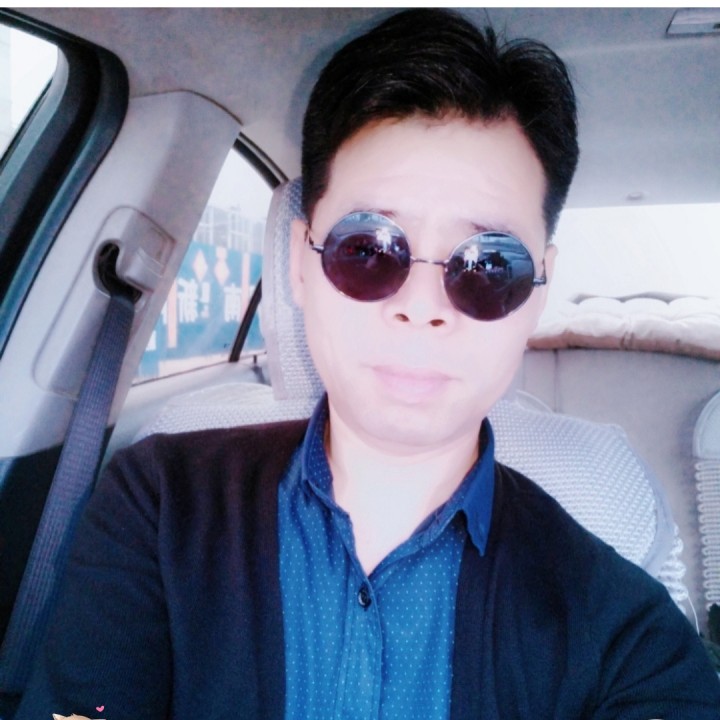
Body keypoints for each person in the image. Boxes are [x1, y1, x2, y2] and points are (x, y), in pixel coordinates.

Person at [16, 8, 720, 719]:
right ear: (300, 265)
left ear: (537, 290)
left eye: (489, 264)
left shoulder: (625, 633)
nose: (421, 306)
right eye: (367, 249)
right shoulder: (158, 505)